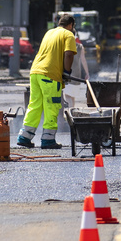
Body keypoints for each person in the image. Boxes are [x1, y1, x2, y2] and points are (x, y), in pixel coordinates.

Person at [16, 13, 79, 149]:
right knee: (52, 106)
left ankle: (24, 137)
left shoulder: (49, 32)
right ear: (71, 25)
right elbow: (68, 54)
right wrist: (66, 72)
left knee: (35, 105)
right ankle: (48, 139)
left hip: (35, 72)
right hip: (50, 76)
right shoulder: (68, 35)